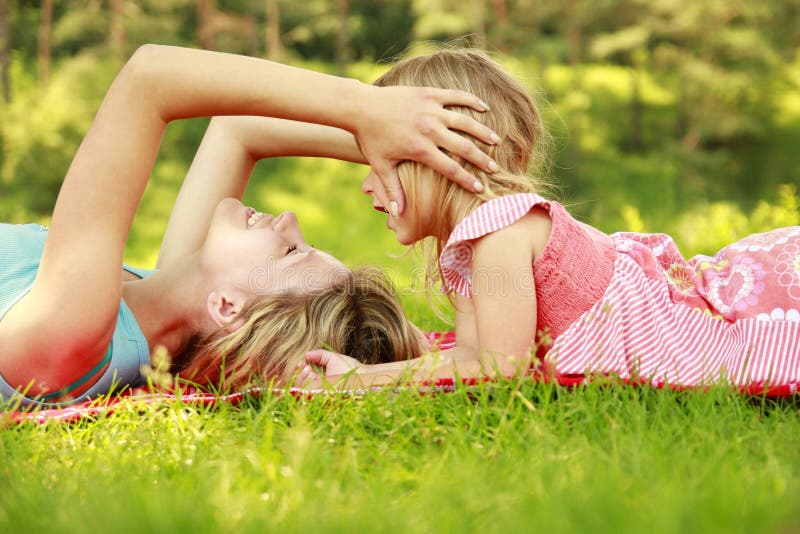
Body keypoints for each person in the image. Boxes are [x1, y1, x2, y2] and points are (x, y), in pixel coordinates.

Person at [0, 44, 502, 406]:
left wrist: (363, 106)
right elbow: (239, 129)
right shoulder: (167, 304)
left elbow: (148, 79)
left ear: (228, 307)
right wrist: (429, 162)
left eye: (290, 252)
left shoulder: (72, 330)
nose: (289, 221)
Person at [300, 48, 800, 390]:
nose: (367, 185)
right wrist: (356, 376)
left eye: (379, 165)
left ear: (436, 158)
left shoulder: (501, 230)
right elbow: (470, 356)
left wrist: (362, 380)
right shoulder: (476, 242)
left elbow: (500, 368)